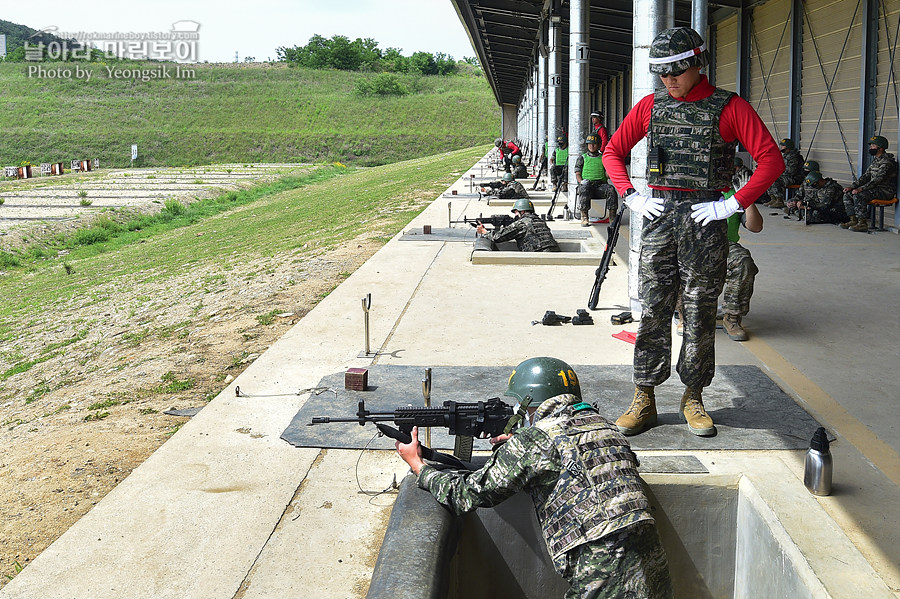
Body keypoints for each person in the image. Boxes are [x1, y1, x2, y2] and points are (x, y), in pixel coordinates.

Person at [602, 26, 783, 437]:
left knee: (700, 314)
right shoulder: (650, 106)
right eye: (663, 74)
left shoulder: (729, 107)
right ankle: (644, 395)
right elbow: (613, 150)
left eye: (677, 72)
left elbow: (770, 159)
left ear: (697, 64)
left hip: (705, 221)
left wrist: (732, 203)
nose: (670, 81)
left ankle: (694, 396)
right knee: (652, 311)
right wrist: (630, 195)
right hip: (659, 217)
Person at [395, 357, 673, 599]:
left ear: (531, 400)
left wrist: (420, 467)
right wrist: (519, 444)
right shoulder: (606, 427)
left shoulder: (535, 441)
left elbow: (467, 494)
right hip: (652, 560)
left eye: (520, 404)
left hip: (602, 565)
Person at [721, 192, 762, 341]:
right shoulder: (692, 187)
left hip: (725, 246)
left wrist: (748, 196)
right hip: (693, 243)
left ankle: (731, 318)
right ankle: (683, 315)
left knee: (744, 263)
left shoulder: (734, 194)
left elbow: (756, 227)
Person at [841, 135, 898, 232]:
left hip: (885, 191)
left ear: (881, 148)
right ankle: (853, 220)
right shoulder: (876, 161)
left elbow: (877, 180)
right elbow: (866, 176)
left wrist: (861, 189)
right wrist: (852, 187)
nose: (871, 147)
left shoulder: (887, 162)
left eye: (873, 145)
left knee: (859, 195)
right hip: (874, 189)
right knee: (848, 194)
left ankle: (862, 223)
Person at [475, 198, 559, 252]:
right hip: (554, 252)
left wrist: (484, 231)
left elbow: (497, 237)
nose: (515, 214)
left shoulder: (521, 223)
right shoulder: (540, 221)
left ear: (522, 211)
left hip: (539, 256)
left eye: (515, 212)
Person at [575, 133, 618, 227]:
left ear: (599, 145)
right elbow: (577, 173)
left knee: (611, 190)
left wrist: (612, 170)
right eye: (590, 144)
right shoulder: (582, 158)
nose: (592, 146)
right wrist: (581, 181)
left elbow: (607, 175)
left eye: (594, 144)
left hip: (600, 186)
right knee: (583, 189)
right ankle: (584, 216)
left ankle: (612, 217)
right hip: (587, 185)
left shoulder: (603, 157)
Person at [764, 138, 804, 209]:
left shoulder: (794, 157)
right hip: (786, 176)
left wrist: (778, 171)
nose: (781, 147)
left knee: (775, 180)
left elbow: (791, 171)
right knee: (768, 177)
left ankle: (779, 200)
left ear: (787, 147)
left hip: (794, 178)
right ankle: (774, 199)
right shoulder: (786, 156)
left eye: (783, 146)